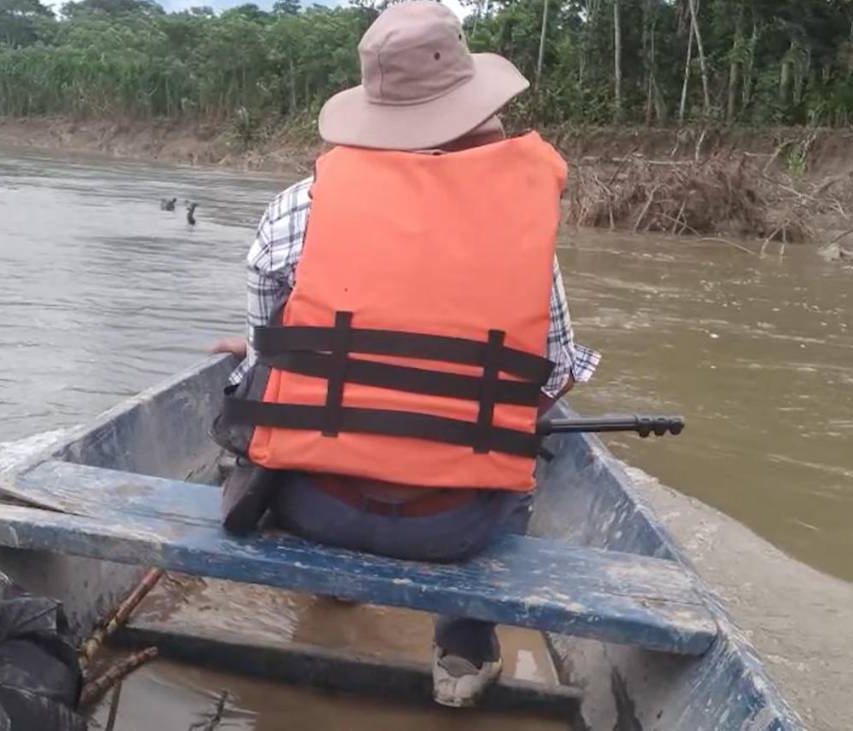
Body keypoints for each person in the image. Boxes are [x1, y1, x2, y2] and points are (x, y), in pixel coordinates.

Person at [211, 0, 598, 708]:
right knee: (522, 463)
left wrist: (299, 355)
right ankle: (461, 651)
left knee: (278, 405)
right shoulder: (522, 231)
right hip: (455, 528)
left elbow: (267, 354)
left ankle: (330, 584)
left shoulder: (298, 206)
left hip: (313, 506)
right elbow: (557, 372)